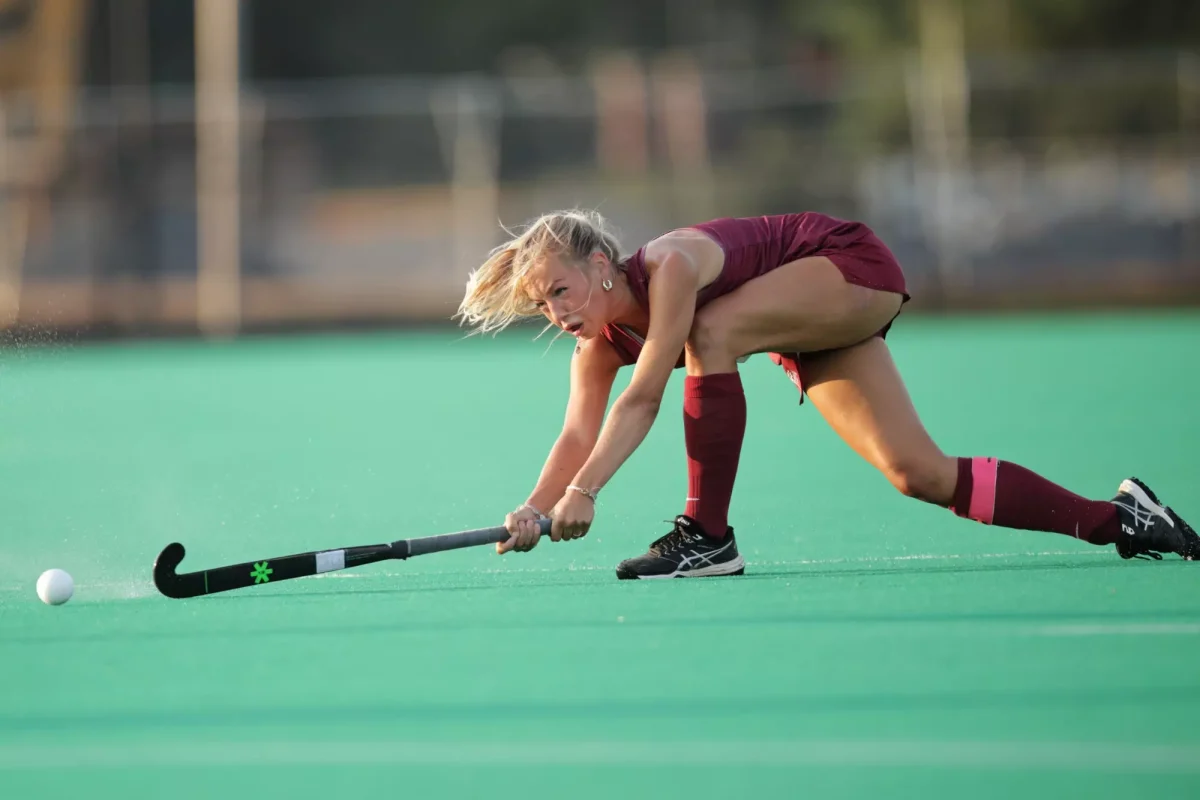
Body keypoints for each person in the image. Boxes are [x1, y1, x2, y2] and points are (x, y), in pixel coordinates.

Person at [454, 209, 1198, 578]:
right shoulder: (592, 349)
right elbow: (576, 437)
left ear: (602, 263)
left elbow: (645, 395)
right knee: (921, 475)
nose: (557, 311)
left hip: (843, 268)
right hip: (804, 325)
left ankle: (706, 538)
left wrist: (586, 493)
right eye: (541, 305)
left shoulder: (671, 267)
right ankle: (1122, 520)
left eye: (560, 289)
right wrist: (537, 507)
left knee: (707, 332)